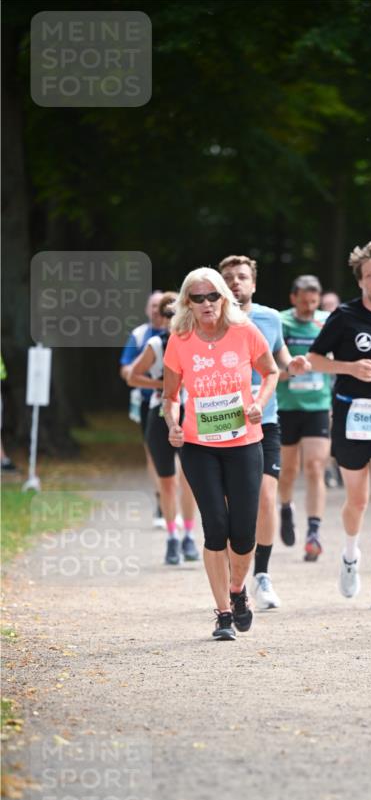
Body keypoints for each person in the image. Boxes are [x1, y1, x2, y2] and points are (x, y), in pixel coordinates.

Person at [162, 267, 279, 641]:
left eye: (213, 296)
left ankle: (238, 589)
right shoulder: (180, 339)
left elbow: (271, 371)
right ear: (188, 303)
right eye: (198, 298)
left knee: (243, 534)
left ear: (224, 298)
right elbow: (169, 396)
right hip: (199, 446)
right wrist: (173, 424)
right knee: (216, 526)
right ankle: (223, 614)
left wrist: (260, 402)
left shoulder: (244, 332)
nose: (207, 303)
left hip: (244, 442)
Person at [307, 242, 371, 609]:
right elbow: (315, 359)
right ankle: (350, 554)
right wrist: (349, 368)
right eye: (369, 276)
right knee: (358, 499)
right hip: (351, 413)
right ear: (361, 281)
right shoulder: (345, 316)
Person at [219, 255, 309, 609]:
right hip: (224, 423)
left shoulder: (270, 318)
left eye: (242, 277)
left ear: (253, 284)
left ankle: (263, 576)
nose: (236, 282)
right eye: (229, 277)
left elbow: (280, 358)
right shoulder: (210, 321)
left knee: (265, 497)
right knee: (230, 506)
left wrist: (294, 365)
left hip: (264, 420)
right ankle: (233, 580)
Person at [127, 293, 200, 566]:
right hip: (160, 415)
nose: (172, 323)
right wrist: (164, 386)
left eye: (177, 316)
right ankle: (172, 538)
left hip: (191, 415)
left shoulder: (198, 343)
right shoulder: (156, 345)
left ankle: (190, 535)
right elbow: (133, 376)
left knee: (190, 480)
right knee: (168, 481)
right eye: (168, 317)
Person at [277, 275, 331, 562]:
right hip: (286, 406)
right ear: (293, 298)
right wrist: (292, 372)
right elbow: (271, 369)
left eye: (314, 302)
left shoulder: (326, 321)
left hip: (317, 405)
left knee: (314, 466)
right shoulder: (282, 323)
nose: (310, 307)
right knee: (287, 471)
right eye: (304, 302)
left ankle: (313, 532)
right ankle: (285, 508)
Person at [120, 291, 167, 527]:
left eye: (162, 306)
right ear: (148, 310)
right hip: (149, 400)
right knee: (153, 452)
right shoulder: (140, 335)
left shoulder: (185, 333)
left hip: (182, 400)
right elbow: (126, 369)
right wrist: (146, 375)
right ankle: (161, 500)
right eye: (154, 306)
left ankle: (175, 501)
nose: (158, 310)